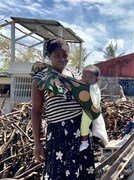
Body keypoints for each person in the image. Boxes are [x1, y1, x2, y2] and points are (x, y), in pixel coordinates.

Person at [31, 38, 95, 180]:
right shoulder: (41, 78)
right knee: (58, 173)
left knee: (81, 172)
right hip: (58, 134)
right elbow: (36, 111)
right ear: (49, 56)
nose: (62, 59)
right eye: (57, 55)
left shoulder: (75, 76)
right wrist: (37, 143)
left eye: (65, 55)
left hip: (80, 132)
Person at [79, 65, 101, 151]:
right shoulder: (89, 86)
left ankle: (84, 143)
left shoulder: (93, 87)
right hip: (89, 109)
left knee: (84, 125)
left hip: (89, 110)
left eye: (90, 77)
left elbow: (94, 100)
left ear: (96, 80)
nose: (87, 79)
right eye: (84, 76)